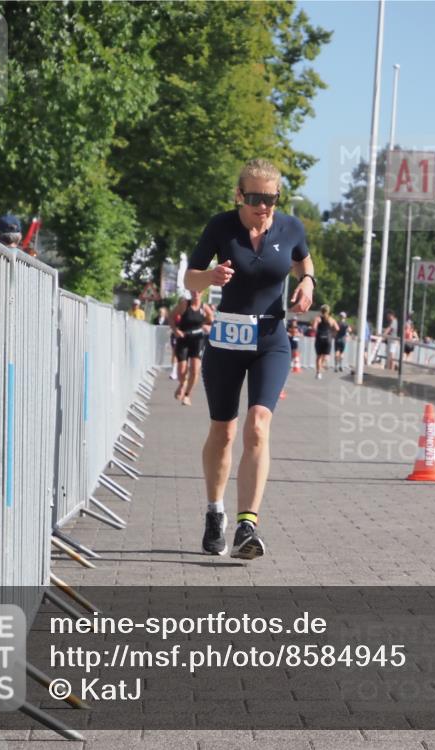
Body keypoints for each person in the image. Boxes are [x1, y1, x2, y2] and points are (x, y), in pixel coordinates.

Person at [184, 158, 314, 559]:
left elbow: (303, 258)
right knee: (223, 431)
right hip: (226, 338)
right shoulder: (220, 226)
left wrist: (307, 281)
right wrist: (210, 279)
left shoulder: (290, 226)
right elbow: (191, 276)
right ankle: (214, 511)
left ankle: (247, 525)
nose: (264, 206)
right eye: (256, 197)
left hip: (271, 338)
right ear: (240, 195)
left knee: (258, 425)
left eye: (271, 198)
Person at [170, 290, 214, 406]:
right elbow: (171, 317)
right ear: (190, 292)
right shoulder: (185, 304)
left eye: (198, 291)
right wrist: (176, 330)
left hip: (197, 340)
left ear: (202, 293)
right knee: (182, 369)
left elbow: (212, 321)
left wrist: (208, 326)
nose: (196, 293)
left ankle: (187, 395)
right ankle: (182, 384)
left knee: (195, 369)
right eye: (194, 290)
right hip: (183, 339)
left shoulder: (204, 307)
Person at [312, 304, 338, 379]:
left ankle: (318, 373)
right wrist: (332, 334)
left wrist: (318, 331)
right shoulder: (331, 319)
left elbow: (314, 328)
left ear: (321, 310)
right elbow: (337, 328)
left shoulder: (318, 318)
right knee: (326, 355)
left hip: (319, 338)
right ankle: (324, 364)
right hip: (328, 338)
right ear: (328, 311)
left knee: (318, 356)